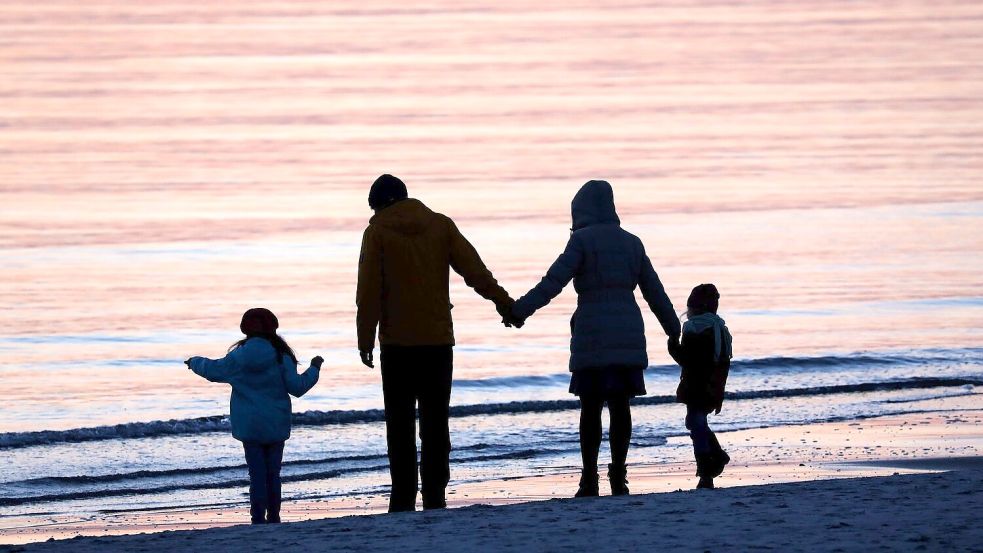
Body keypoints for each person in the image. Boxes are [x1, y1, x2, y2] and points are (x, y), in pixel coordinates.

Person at [356, 174, 517, 512]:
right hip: (437, 342)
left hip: (397, 344)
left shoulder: (377, 232)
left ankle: (402, 496)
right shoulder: (440, 225)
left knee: (399, 424)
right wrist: (503, 302)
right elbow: (475, 271)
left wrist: (364, 337)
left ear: (379, 203)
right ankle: (434, 493)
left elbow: (368, 289)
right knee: (435, 422)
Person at [510, 180, 680, 497]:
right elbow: (654, 292)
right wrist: (674, 330)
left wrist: (520, 310)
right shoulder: (632, 243)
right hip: (627, 330)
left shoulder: (582, 242)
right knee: (620, 406)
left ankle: (589, 478)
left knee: (590, 409)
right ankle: (619, 474)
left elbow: (553, 282)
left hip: (591, 332)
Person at [186, 307, 322, 524]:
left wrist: (194, 362)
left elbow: (212, 370)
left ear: (245, 329)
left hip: (249, 425)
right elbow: (297, 387)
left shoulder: (238, 357)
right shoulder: (281, 356)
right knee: (273, 474)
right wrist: (314, 368)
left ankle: (257, 517)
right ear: (272, 328)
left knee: (257, 475)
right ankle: (274, 516)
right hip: (276, 423)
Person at [668, 283, 732, 489]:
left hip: (699, 386)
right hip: (711, 385)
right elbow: (721, 362)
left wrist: (673, 347)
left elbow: (689, 360)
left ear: (697, 308)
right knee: (695, 423)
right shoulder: (719, 329)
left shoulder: (696, 329)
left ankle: (706, 472)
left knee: (696, 424)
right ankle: (715, 459)